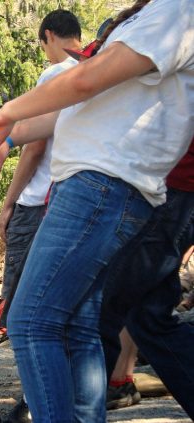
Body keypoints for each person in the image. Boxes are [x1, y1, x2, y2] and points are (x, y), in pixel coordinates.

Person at [0, 0, 193, 421]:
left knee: (31, 321)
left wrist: (7, 112)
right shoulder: (154, 14)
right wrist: (10, 137)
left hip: (102, 183)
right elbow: (81, 105)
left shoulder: (178, 9)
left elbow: (85, 81)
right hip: (100, 183)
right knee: (79, 325)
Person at [0, 11, 81, 422]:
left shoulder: (55, 75)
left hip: (39, 202)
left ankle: (36, 399)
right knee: (67, 307)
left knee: (23, 308)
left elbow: (34, 146)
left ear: (47, 36)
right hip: (74, 201)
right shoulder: (94, 66)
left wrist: (9, 202)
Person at [100, 137, 194, 419]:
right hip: (171, 187)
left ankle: (62, 410)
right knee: (147, 319)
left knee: (100, 307)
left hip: (172, 189)